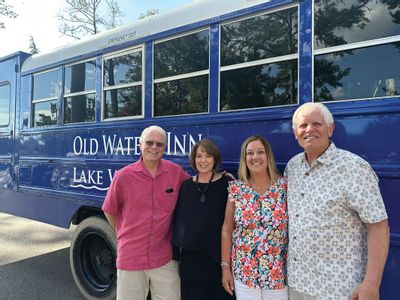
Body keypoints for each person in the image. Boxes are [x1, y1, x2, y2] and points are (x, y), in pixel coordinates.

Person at [285, 102, 390, 300]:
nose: (309, 130)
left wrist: (371, 283)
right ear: (295, 132)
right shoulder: (292, 167)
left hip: (339, 288)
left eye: (317, 124)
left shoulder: (354, 169)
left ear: (330, 129)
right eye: (303, 126)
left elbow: (378, 226)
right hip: (298, 283)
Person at [102, 125, 190, 300]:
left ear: (164, 148)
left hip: (163, 257)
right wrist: (124, 235)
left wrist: (219, 177)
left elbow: (197, 187)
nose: (154, 147)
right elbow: (110, 211)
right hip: (131, 257)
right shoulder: (123, 176)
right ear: (140, 145)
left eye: (159, 144)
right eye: (149, 142)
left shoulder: (175, 172)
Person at [221, 135, 288, 300]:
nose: (255, 157)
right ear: (245, 158)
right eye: (250, 153)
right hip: (245, 271)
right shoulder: (237, 189)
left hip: (278, 272)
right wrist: (225, 267)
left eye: (260, 152)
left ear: (268, 156)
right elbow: (227, 230)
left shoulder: (284, 187)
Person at [173, 139, 235, 300]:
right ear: (193, 159)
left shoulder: (227, 184)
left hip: (218, 260)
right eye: (199, 156)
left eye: (207, 156)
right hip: (192, 262)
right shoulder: (186, 186)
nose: (203, 160)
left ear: (215, 159)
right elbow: (180, 222)